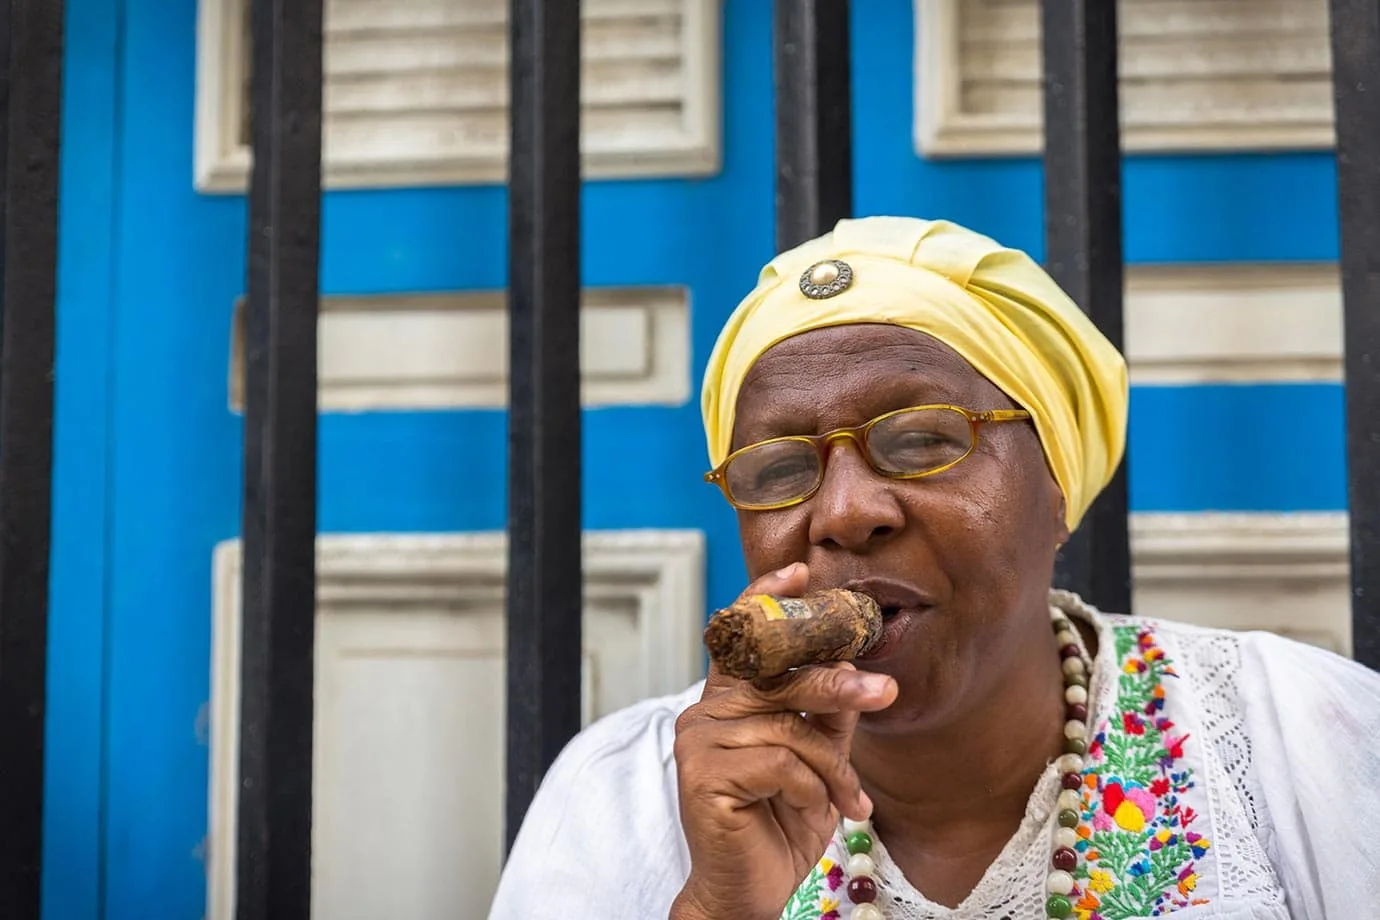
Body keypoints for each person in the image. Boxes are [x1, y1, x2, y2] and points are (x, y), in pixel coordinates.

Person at [487, 217, 1380, 919]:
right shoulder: (622, 795)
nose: (842, 513)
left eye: (920, 441)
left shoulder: (1299, 735)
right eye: (781, 471)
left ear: (1057, 486)